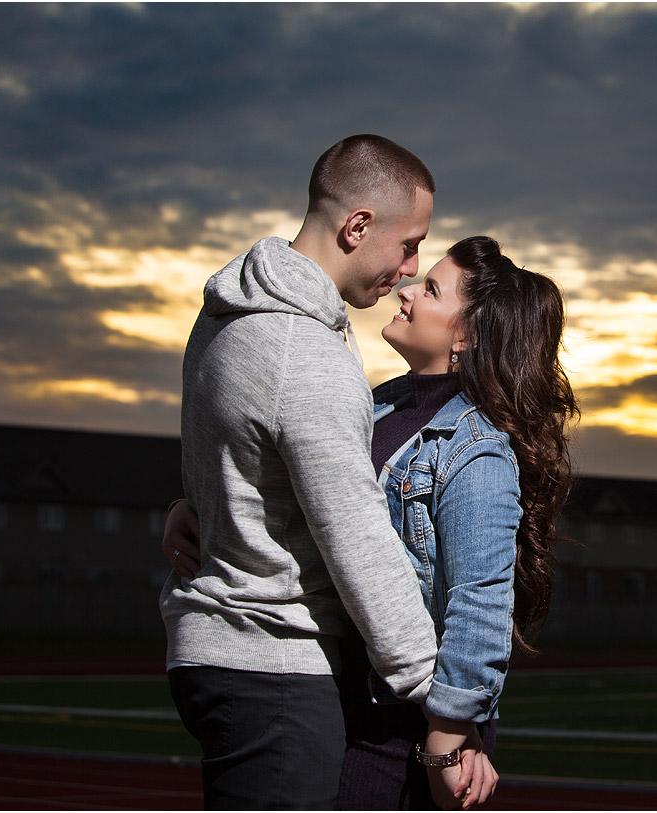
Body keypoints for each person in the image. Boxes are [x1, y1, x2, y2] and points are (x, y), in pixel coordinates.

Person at [165, 235, 578, 809]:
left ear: (468, 334)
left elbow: (480, 599)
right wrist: (194, 509)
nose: (407, 292)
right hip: (339, 687)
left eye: (431, 289)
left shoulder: (474, 449)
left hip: (403, 720)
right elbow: (311, 497)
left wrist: (450, 732)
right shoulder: (378, 403)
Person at [160, 135, 491, 810]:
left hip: (216, 655)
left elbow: (232, 455)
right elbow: (357, 538)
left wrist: (196, 505)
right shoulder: (303, 351)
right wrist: (449, 716)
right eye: (409, 244)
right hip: (273, 663)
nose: (409, 267)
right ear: (357, 225)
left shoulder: (228, 313)